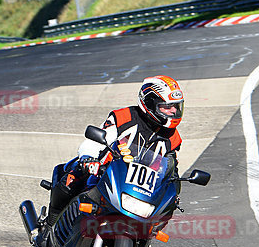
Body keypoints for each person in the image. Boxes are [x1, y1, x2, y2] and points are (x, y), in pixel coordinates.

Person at [45, 75, 184, 226]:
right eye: (166, 106)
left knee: (158, 221)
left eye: (176, 106)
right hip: (103, 172)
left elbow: (171, 171)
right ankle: (49, 227)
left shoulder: (173, 138)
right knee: (70, 180)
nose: (173, 111)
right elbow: (93, 142)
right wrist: (88, 158)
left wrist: (173, 193)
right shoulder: (123, 117)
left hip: (137, 190)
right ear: (149, 103)